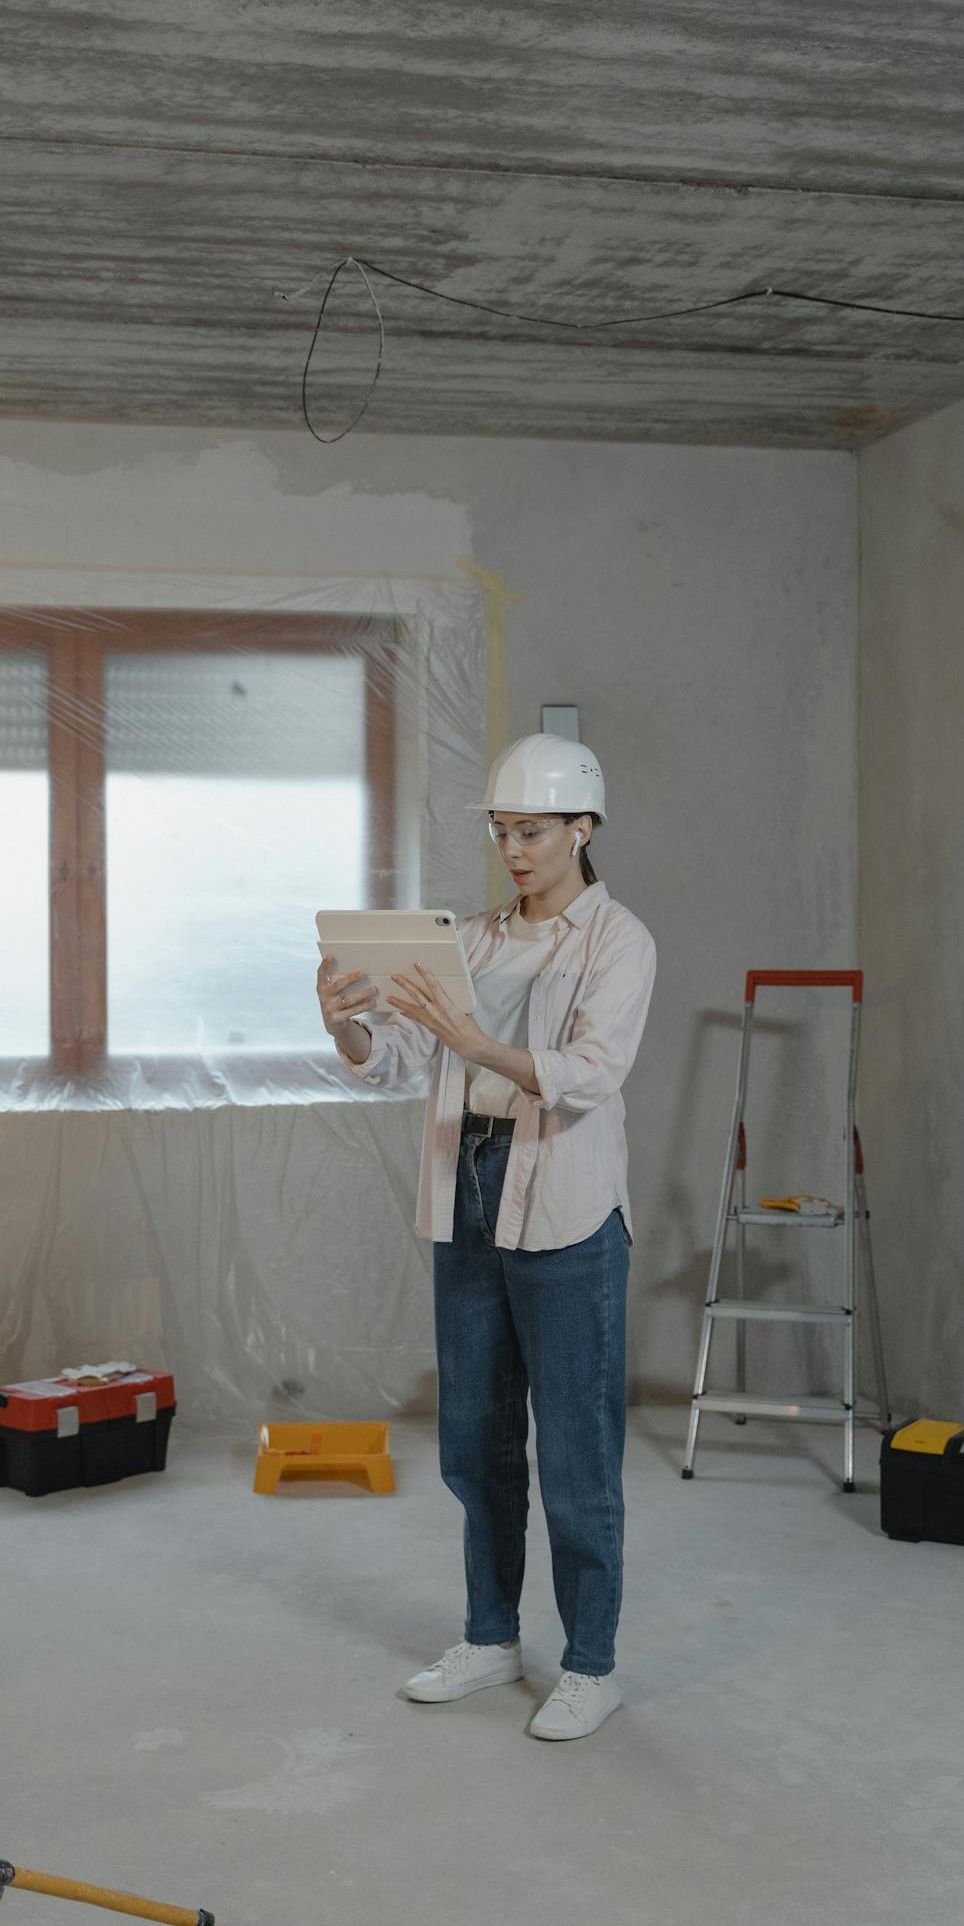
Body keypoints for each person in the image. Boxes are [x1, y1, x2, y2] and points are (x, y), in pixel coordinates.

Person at [317, 734, 656, 1740]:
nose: (513, 848)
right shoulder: (469, 937)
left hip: (566, 1201)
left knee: (580, 1452)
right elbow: (402, 1055)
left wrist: (478, 1044)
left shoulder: (618, 940)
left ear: (581, 830)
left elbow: (593, 1069)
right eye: (503, 831)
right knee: (475, 1438)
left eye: (533, 831)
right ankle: (490, 1635)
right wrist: (346, 1025)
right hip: (464, 1188)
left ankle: (591, 1662)